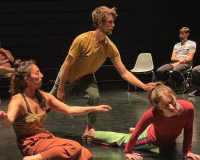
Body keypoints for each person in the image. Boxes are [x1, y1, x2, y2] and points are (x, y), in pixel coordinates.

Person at [50, 6, 153, 138]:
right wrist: (61, 88)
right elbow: (66, 64)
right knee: (49, 102)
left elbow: (124, 72)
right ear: (100, 22)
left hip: (87, 75)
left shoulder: (110, 47)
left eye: (113, 22)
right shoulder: (82, 40)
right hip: (69, 75)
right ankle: (33, 123)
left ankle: (89, 128)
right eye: (110, 22)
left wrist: (143, 86)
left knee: (95, 97)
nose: (113, 25)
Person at [0, 59, 112, 160]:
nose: (42, 75)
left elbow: (69, 110)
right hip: (30, 143)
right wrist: (3, 117)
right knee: (74, 147)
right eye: (37, 73)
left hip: (44, 138)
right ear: (27, 79)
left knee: (86, 154)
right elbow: (9, 121)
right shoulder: (18, 100)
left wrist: (95, 108)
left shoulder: (43, 96)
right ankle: (34, 159)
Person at [83, 82, 200, 160]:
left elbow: (188, 129)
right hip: (151, 139)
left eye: (172, 101)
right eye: (165, 105)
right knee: (123, 139)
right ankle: (94, 133)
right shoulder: (152, 114)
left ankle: (137, 129)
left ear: (173, 96)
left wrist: (187, 151)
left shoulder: (188, 107)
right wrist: (128, 152)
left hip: (164, 138)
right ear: (157, 106)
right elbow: (138, 132)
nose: (171, 107)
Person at [156, 27, 196, 94]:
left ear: (187, 34)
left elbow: (189, 58)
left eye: (183, 34)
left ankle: (184, 84)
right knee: (160, 70)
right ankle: (171, 83)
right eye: (180, 33)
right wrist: (178, 61)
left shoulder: (192, 44)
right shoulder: (176, 45)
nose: (181, 35)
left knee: (175, 70)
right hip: (175, 63)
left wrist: (179, 62)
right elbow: (172, 58)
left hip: (186, 63)